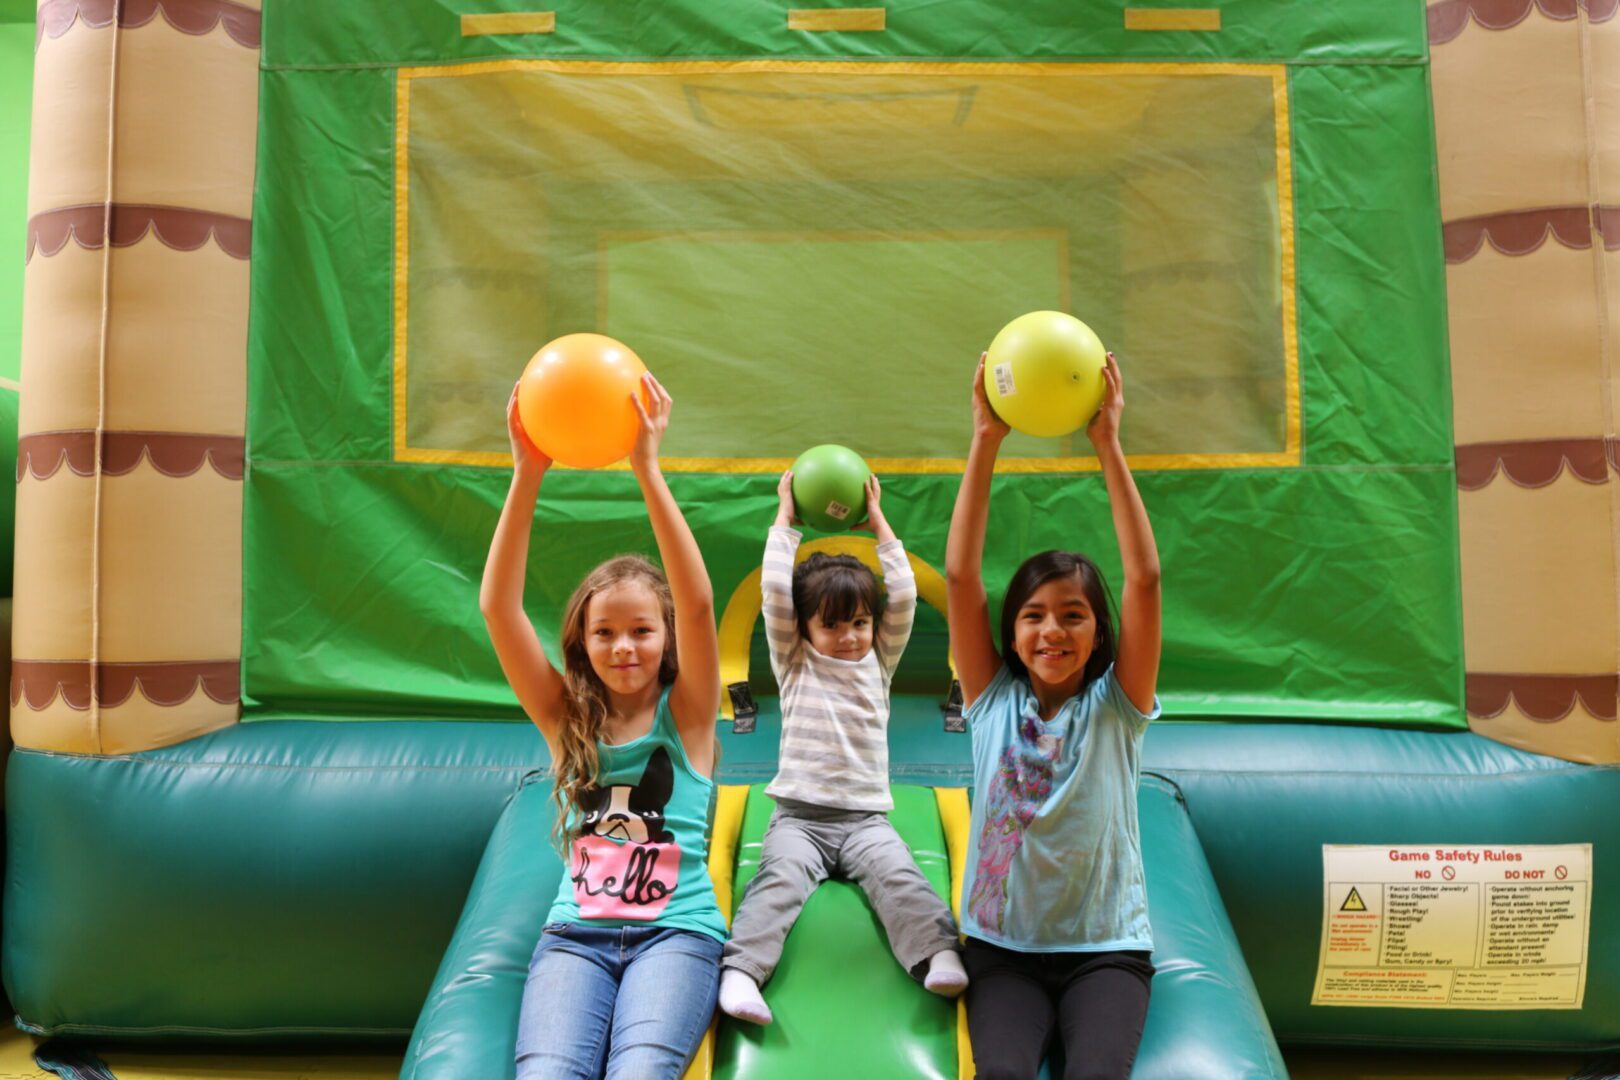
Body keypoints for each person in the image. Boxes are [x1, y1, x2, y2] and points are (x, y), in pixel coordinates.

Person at [481, 374, 725, 1080]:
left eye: (642, 631)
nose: (624, 648)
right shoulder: (566, 720)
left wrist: (647, 468)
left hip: (675, 936)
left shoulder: (688, 714)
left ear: (666, 638)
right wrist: (527, 473)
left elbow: (700, 602)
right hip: (575, 940)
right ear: (582, 643)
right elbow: (499, 610)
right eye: (606, 632)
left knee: (640, 1071)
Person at [944, 351, 1162, 1080]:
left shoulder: (1117, 709)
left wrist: (1108, 444)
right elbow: (961, 576)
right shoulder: (991, 701)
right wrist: (985, 439)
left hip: (1107, 951)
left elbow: (1145, 578)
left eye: (1073, 616)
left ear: (1099, 631)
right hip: (1003, 950)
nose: (1053, 631)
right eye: (1034, 615)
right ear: (1011, 633)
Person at [718, 471, 966, 1026]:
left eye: (859, 622)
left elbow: (903, 593)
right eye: (832, 625)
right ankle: (741, 973)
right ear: (803, 629)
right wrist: (784, 520)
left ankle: (936, 953)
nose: (850, 635)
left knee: (900, 878)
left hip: (864, 820)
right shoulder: (794, 661)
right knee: (775, 882)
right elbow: (773, 593)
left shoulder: (879, 664)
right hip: (799, 818)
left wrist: (879, 525)